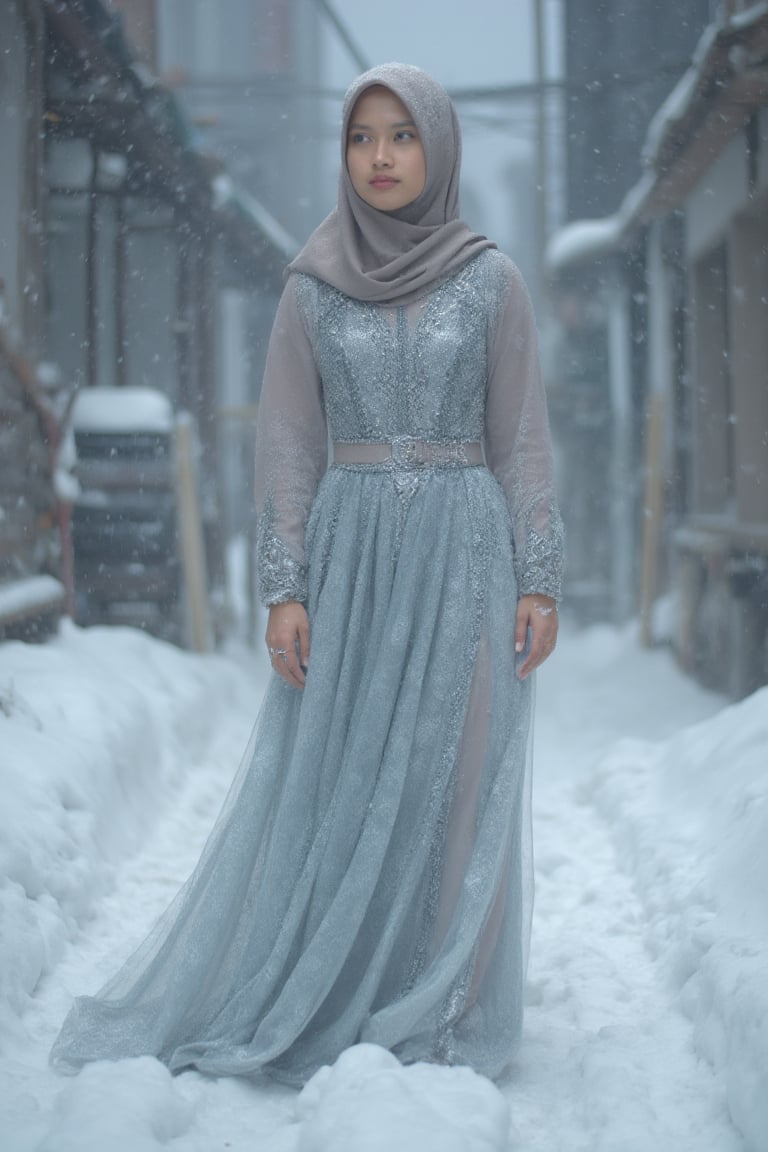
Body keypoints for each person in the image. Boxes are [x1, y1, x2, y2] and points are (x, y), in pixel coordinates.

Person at [51, 63, 564, 1086]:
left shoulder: (492, 279)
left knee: (457, 765)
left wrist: (537, 574)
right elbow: (286, 444)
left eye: (402, 136)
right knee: (345, 770)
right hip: (354, 556)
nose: (380, 157)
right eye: (361, 137)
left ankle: (442, 989)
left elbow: (524, 441)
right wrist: (286, 588)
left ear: (439, 149)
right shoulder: (312, 285)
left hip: (468, 545)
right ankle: (331, 981)